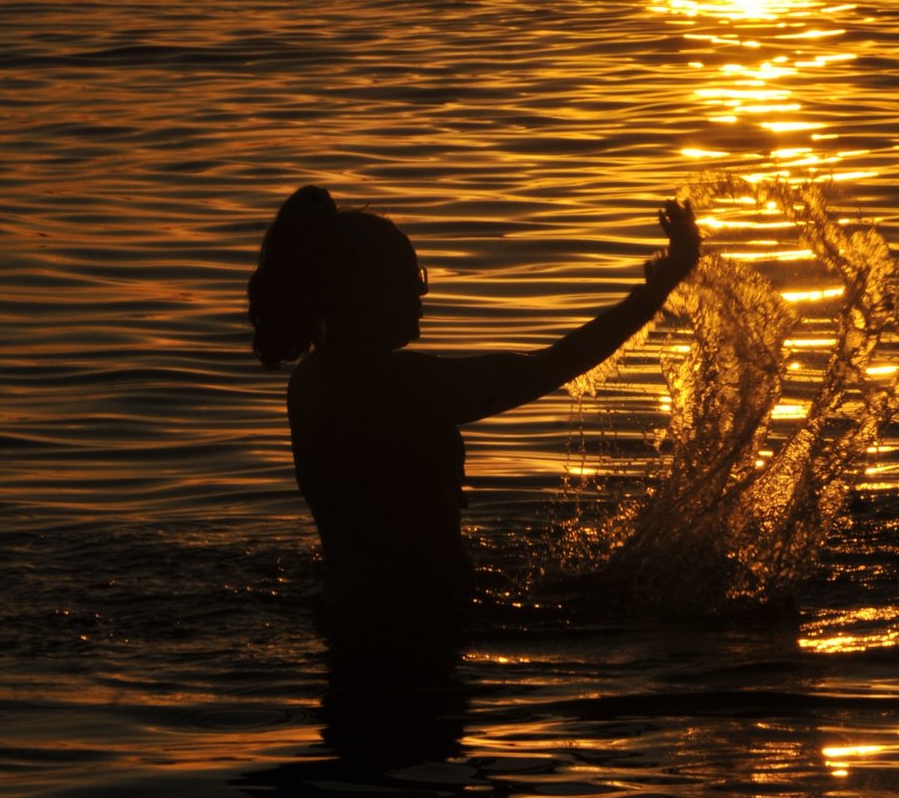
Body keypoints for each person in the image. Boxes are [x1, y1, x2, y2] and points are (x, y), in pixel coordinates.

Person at [248, 186, 700, 666]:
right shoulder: (394, 386)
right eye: (410, 278)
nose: (422, 292)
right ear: (365, 293)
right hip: (414, 628)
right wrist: (658, 287)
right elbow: (549, 368)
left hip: (351, 616)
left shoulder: (313, 380)